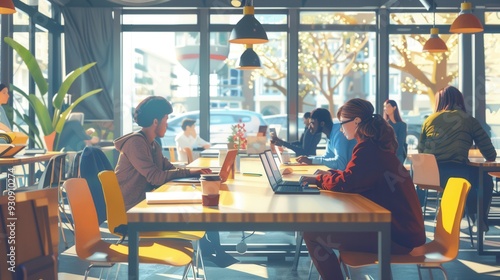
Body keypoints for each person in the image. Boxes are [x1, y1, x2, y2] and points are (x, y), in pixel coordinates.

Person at [300, 98, 426, 279]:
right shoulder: (371, 145)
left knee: (312, 233)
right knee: (320, 229)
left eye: (343, 123)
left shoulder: (367, 148)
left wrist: (319, 179)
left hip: (399, 238)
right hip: (403, 232)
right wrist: (329, 175)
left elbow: (347, 182)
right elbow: (354, 178)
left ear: (356, 121)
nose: (341, 128)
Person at [113, 96, 238, 267]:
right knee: (199, 207)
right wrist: (189, 171)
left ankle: (213, 250)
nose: (168, 123)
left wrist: (193, 172)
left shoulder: (152, 145)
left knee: (204, 204)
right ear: (156, 121)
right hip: (133, 211)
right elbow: (155, 176)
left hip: (146, 203)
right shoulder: (136, 143)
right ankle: (210, 251)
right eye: (166, 118)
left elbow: (167, 168)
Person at [418, 86, 497, 229]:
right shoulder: (468, 120)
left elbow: (421, 152)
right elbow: (490, 154)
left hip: (430, 176)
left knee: (473, 177)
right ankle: (478, 218)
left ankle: (466, 217)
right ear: (459, 100)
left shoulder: (428, 120)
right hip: (457, 175)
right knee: (484, 178)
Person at [383, 99, 407, 163]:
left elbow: (401, 142)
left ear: (394, 108)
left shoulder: (402, 125)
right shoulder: (384, 125)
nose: (386, 108)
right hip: (385, 155)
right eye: (385, 107)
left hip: (398, 155)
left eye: (388, 106)